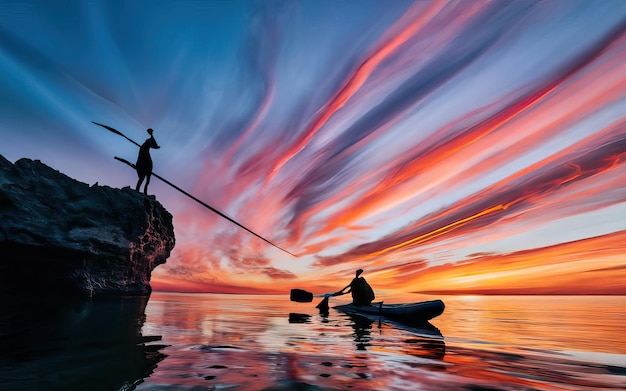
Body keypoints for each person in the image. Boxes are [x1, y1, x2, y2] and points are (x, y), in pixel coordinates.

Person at [135, 128, 160, 194]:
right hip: (143, 163)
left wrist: (152, 136)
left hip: (147, 164)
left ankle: (144, 191)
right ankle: (138, 190)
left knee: (147, 180)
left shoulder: (147, 144)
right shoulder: (145, 145)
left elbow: (154, 145)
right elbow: (154, 145)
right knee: (142, 178)